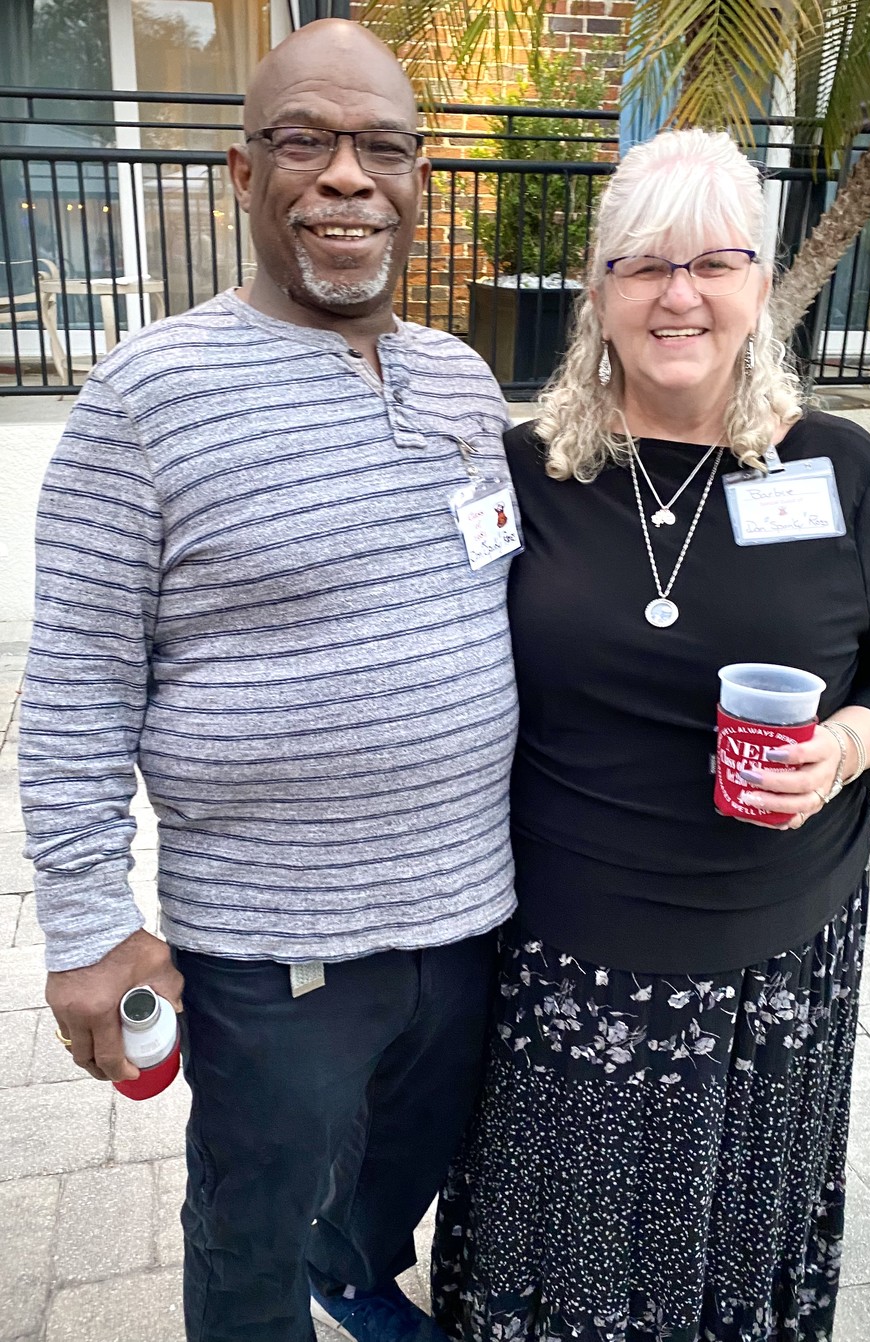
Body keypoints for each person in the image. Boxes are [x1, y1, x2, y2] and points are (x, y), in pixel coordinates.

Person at [19, 20, 520, 1342]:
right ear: (245, 172)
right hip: (276, 941)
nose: (348, 175)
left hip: (472, 913)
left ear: (417, 182)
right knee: (255, 1215)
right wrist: (88, 923)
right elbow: (74, 685)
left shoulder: (463, 383)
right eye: (306, 141)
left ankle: (351, 1276)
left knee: (402, 1166)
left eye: (383, 148)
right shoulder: (147, 395)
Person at [431, 129, 870, 1342]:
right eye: (643, 264)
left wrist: (846, 745)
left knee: (723, 1248)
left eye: (714, 262)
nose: (679, 294)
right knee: (558, 1248)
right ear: (598, 290)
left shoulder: (836, 466)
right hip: (561, 952)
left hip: (768, 964)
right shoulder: (522, 474)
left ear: (759, 282)